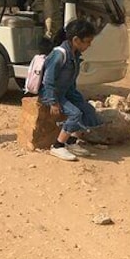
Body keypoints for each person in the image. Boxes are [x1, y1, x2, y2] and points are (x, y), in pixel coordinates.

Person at [39, 18, 102, 161]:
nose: (89, 45)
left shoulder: (75, 53)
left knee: (88, 111)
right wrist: (53, 102)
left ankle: (71, 141)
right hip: (54, 93)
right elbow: (48, 80)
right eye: (87, 41)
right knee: (75, 114)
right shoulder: (59, 54)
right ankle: (57, 146)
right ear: (76, 40)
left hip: (68, 92)